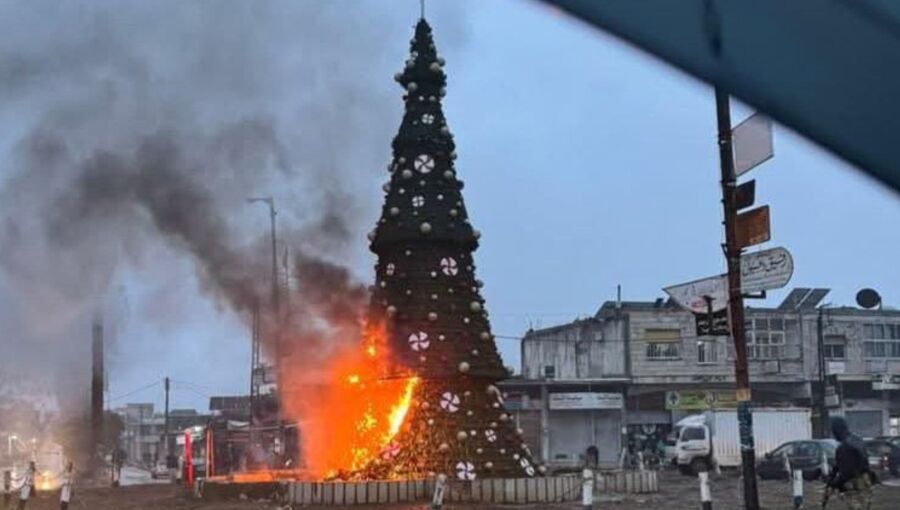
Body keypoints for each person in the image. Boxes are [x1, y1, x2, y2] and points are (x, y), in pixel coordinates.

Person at [827, 417, 874, 510]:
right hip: (866, 481)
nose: (833, 435)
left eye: (833, 431)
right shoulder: (858, 439)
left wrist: (833, 484)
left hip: (854, 484)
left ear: (837, 430)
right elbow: (841, 464)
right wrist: (832, 476)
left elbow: (846, 473)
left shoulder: (844, 447)